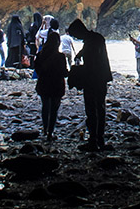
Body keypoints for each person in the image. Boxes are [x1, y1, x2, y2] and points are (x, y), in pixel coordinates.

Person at [69, 18, 112, 150]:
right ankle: (100, 139)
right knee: (100, 108)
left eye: (75, 35)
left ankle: (93, 140)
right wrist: (81, 53)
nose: (75, 37)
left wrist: (77, 71)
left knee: (92, 109)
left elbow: (92, 63)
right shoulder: (95, 38)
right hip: (102, 78)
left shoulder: (91, 41)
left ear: (79, 31)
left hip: (93, 79)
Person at [34, 30, 68, 141]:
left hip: (44, 83)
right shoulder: (60, 56)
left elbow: (37, 70)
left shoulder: (40, 55)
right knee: (54, 109)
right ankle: (50, 132)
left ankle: (44, 129)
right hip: (56, 85)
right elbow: (63, 72)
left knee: (45, 107)